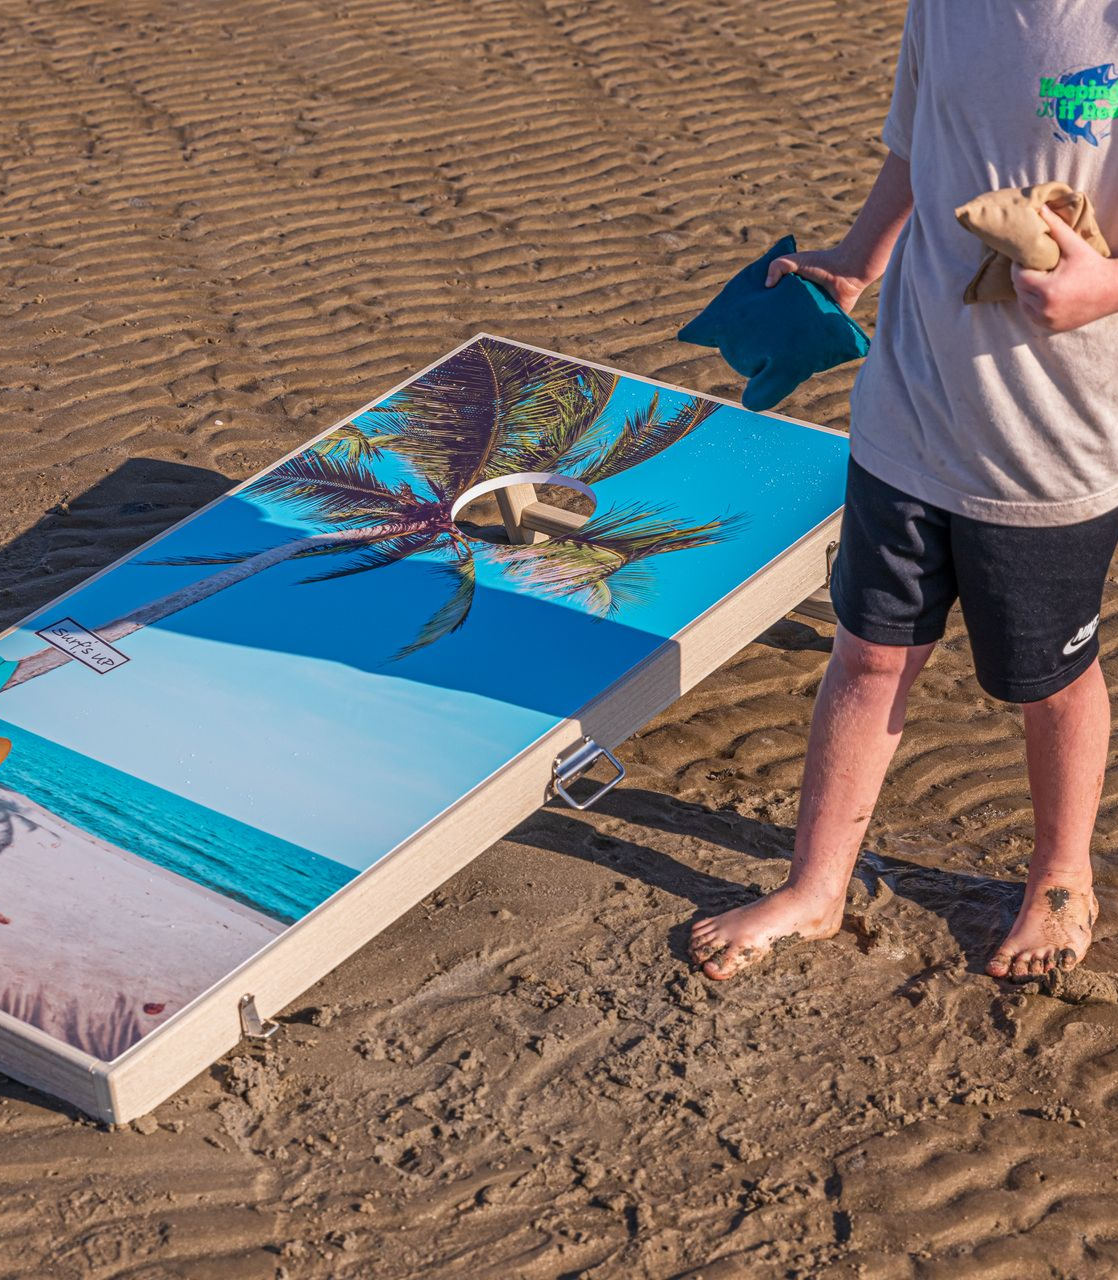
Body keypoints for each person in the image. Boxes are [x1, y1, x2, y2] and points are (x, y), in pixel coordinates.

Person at [689, 3, 1118, 982]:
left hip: (1052, 448)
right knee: (869, 652)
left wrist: (1097, 291)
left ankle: (1061, 876)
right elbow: (915, 149)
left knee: (1046, 680)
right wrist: (853, 260)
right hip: (907, 411)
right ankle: (814, 886)